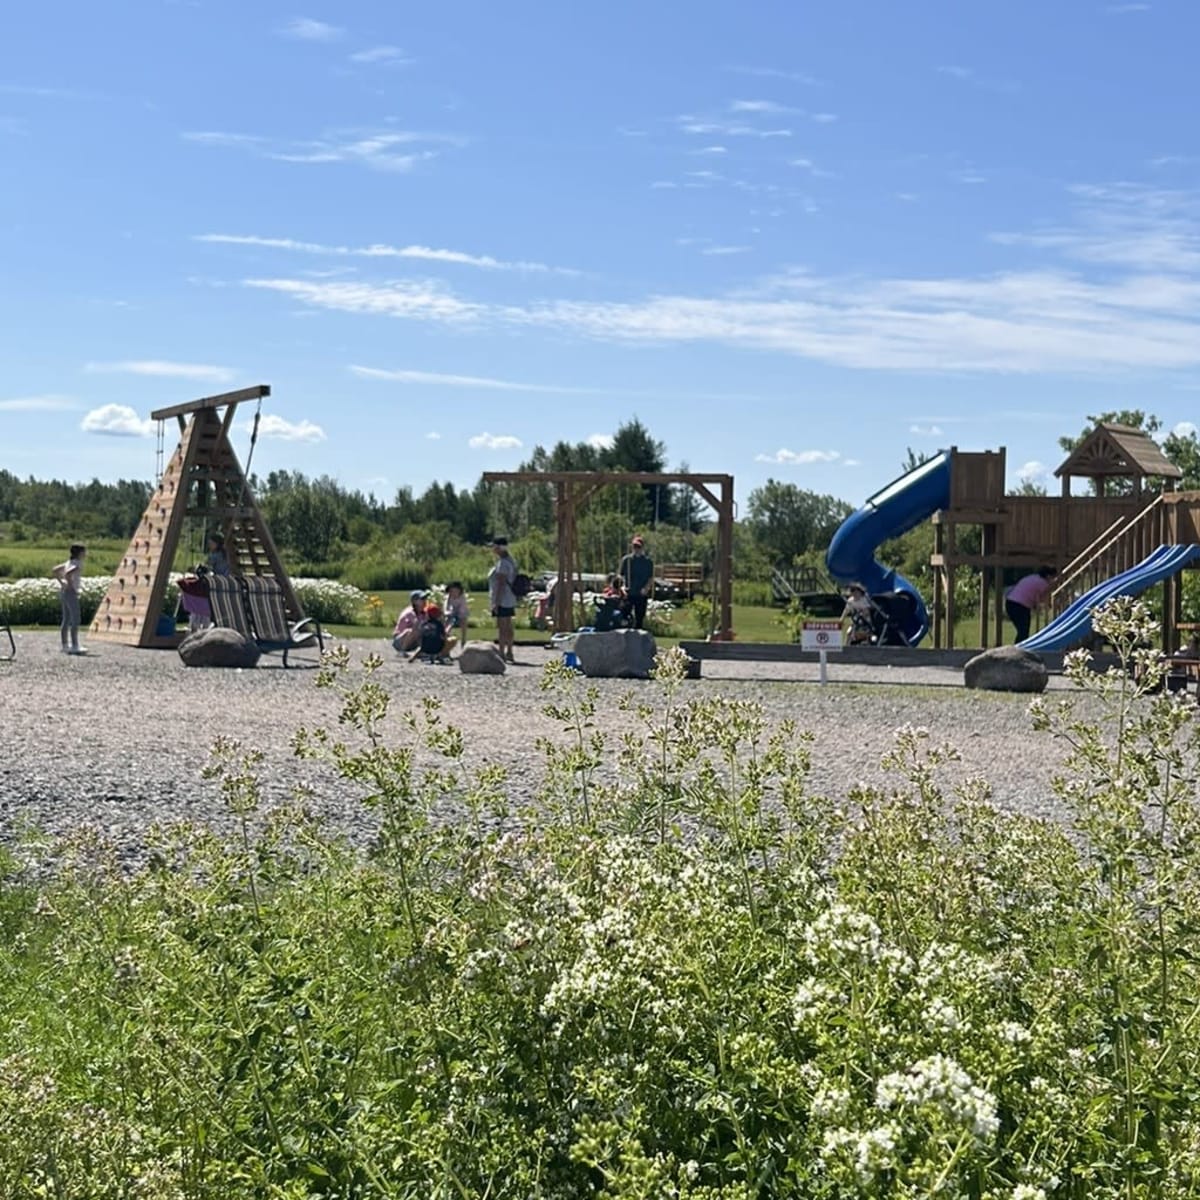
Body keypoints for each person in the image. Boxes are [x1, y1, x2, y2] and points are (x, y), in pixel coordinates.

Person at [51, 543, 86, 655]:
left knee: (66, 619)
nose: (85, 554)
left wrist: (62, 583)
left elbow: (55, 570)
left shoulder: (68, 562)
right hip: (71, 593)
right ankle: (75, 645)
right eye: (84, 552)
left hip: (64, 592)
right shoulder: (78, 564)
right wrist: (71, 585)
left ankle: (65, 645)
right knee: (76, 619)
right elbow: (67, 574)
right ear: (79, 553)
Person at [1005, 567, 1057, 642]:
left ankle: (1019, 646)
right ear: (1048, 576)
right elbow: (1044, 598)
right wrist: (1049, 606)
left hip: (1011, 602)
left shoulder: (1033, 577)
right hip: (1020, 605)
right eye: (1053, 578)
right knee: (1023, 630)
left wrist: (1035, 605)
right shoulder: (1043, 583)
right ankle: (1019, 648)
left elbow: (1032, 594)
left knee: (1022, 630)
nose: (1053, 580)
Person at [488, 536, 518, 664]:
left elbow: (500, 583)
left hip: (503, 599)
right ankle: (509, 650)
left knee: (502, 627)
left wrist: (496, 602)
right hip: (510, 598)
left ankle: (502, 652)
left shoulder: (502, 564)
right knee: (508, 625)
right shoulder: (511, 561)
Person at [618, 535, 654, 630]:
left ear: (642, 547)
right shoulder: (627, 560)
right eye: (634, 546)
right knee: (624, 617)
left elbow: (650, 578)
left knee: (639, 618)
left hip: (641, 593)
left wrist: (646, 588)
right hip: (628, 592)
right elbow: (621, 576)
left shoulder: (647, 562)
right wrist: (622, 587)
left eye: (638, 547)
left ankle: (639, 640)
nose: (636, 549)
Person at [444, 582, 469, 651]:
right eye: (452, 591)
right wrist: (449, 613)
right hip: (451, 613)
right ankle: (446, 636)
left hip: (462, 613)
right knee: (447, 622)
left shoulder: (462, 598)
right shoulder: (448, 597)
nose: (454, 593)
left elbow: (463, 608)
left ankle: (463, 640)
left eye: (456, 591)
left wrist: (458, 615)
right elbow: (447, 606)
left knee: (463, 622)